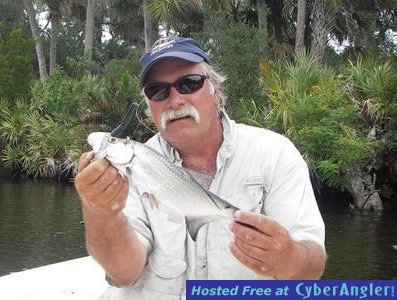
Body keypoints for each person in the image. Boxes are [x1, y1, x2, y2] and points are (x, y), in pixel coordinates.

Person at [74, 36, 327, 299]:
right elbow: (123, 272)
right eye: (158, 90)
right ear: (149, 105)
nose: (175, 100)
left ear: (214, 90)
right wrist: (101, 212)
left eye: (189, 83)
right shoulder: (126, 169)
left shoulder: (275, 154)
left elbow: (311, 268)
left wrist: (288, 259)